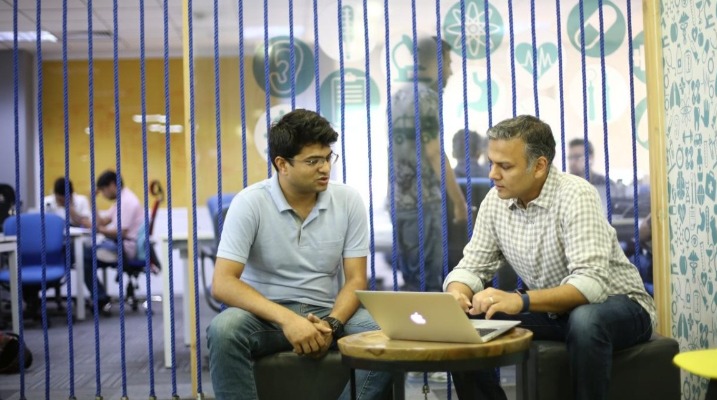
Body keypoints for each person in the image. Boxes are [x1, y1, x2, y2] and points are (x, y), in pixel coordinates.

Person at [443, 115, 656, 400]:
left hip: (620, 305)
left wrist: (520, 300)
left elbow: (590, 285)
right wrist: (458, 293)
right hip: (556, 313)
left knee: (585, 319)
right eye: (493, 163)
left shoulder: (575, 194)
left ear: (540, 166)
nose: (493, 174)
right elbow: (472, 265)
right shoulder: (495, 201)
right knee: (464, 321)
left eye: (505, 166)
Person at [206, 109, 391, 400]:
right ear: (282, 164)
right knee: (223, 330)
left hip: (325, 311)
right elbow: (223, 282)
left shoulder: (348, 200)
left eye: (328, 157)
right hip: (265, 315)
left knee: (388, 331)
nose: (325, 168)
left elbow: (356, 279)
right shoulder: (249, 203)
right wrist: (287, 320)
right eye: (313, 161)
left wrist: (332, 324)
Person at [389, 36, 467, 291]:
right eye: (448, 62)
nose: (452, 71)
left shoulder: (398, 95)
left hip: (399, 202)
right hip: (424, 203)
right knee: (429, 285)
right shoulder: (427, 98)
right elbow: (434, 153)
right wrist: (459, 201)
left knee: (412, 282)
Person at [84, 170, 144, 313]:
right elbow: (103, 222)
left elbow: (120, 232)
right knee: (84, 257)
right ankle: (100, 297)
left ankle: (100, 298)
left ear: (112, 185)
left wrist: (96, 229)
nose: (103, 195)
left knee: (84, 254)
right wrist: (93, 202)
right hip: (119, 244)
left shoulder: (127, 201)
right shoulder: (121, 200)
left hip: (125, 247)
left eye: (103, 190)